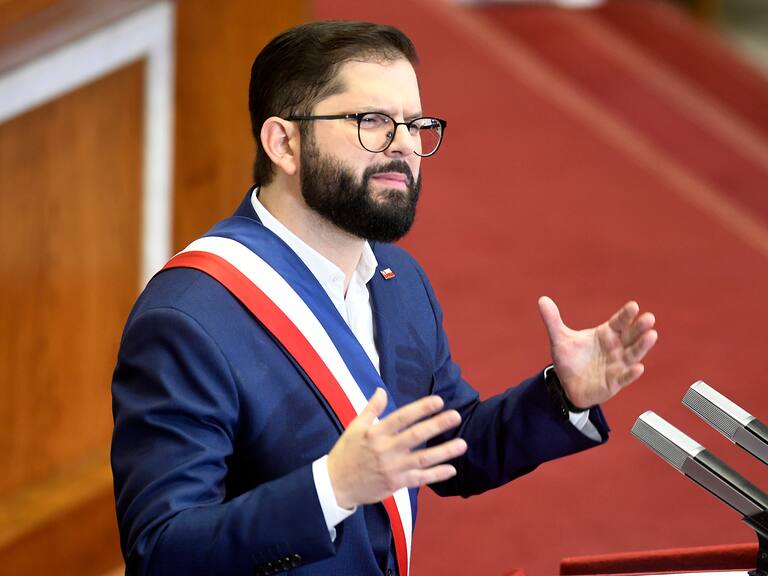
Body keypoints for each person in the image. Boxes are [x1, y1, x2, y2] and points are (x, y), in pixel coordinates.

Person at [110, 20, 658, 576]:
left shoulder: (399, 280)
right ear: (284, 143)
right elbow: (160, 552)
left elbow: (447, 445)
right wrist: (333, 487)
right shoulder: (187, 318)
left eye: (414, 124)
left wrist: (564, 396)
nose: (404, 145)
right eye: (371, 121)